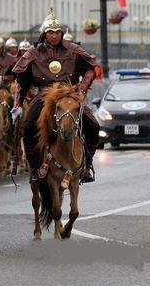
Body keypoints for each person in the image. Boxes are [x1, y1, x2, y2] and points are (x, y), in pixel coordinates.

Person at [11, 9, 99, 183]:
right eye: (50, 32)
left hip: (70, 96)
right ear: (44, 34)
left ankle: (86, 165)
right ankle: (35, 167)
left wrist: (82, 88)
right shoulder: (33, 53)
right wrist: (17, 105)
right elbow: (22, 80)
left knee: (93, 125)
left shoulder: (74, 50)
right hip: (43, 96)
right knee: (28, 129)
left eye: (57, 32)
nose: (54, 36)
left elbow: (90, 69)